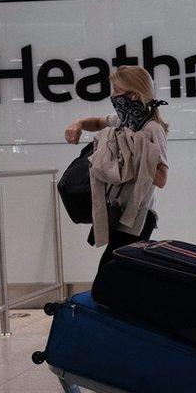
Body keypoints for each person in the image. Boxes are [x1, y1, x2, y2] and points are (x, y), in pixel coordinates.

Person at [64, 66, 169, 270]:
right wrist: (77, 124)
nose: (113, 96)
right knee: (118, 274)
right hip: (119, 212)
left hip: (139, 216)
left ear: (133, 94)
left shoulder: (152, 129)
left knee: (109, 273)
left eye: (117, 90)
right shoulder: (124, 121)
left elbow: (161, 179)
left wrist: (137, 152)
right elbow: (97, 122)